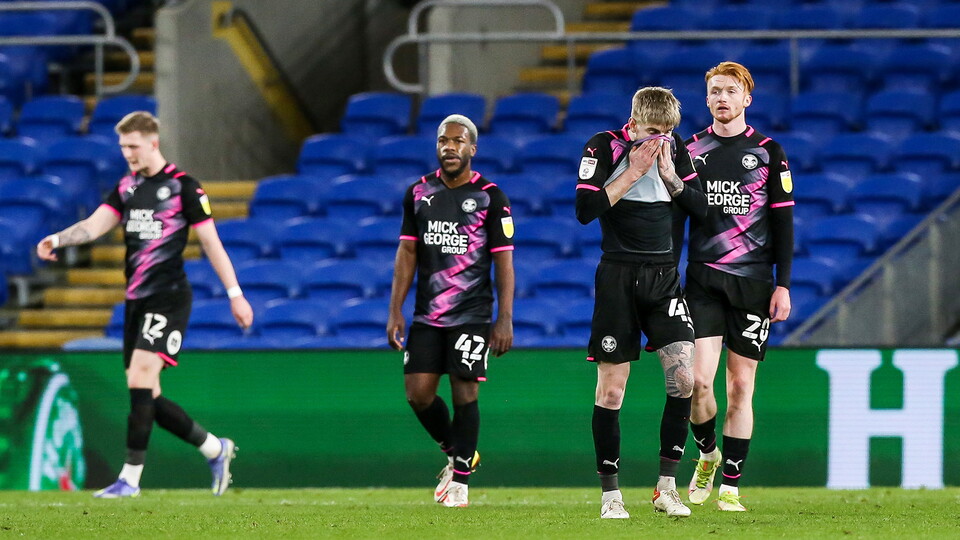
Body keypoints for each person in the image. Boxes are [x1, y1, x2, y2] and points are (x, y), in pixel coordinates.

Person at [36, 111, 254, 498]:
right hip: (136, 301)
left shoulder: (185, 188)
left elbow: (211, 244)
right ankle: (215, 449)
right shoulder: (127, 188)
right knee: (146, 395)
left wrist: (235, 294)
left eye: (133, 146)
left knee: (139, 378)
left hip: (168, 298)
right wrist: (58, 238)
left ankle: (129, 480)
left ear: (153, 142)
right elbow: (93, 226)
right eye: (122, 147)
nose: (127, 154)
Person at [575, 87, 707, 519]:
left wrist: (670, 175)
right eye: (652, 132)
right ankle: (611, 495)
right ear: (632, 124)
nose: (659, 142)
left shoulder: (675, 149)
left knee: (684, 379)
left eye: (668, 133)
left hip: (664, 277)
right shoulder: (604, 146)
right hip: (617, 276)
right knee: (612, 391)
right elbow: (584, 208)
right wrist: (632, 172)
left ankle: (666, 488)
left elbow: (703, 208)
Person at [682, 61, 794, 512]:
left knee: (741, 388)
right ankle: (708, 454)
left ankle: (730, 486)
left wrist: (782, 285)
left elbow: (783, 224)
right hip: (703, 280)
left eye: (730, 91)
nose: (722, 98)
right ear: (706, 99)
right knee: (695, 383)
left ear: (747, 98)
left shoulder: (769, 153)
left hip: (752, 284)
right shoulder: (690, 150)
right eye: (714, 91)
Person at [386, 114, 514, 508]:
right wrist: (396, 310)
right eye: (444, 141)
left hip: (472, 313)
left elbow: (504, 262)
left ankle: (460, 481)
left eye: (458, 141)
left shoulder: (492, 196)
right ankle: (459, 451)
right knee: (418, 394)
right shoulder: (419, 192)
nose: (449, 147)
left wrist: (504, 317)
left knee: (464, 391)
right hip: (427, 314)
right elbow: (407, 251)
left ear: (472, 149)